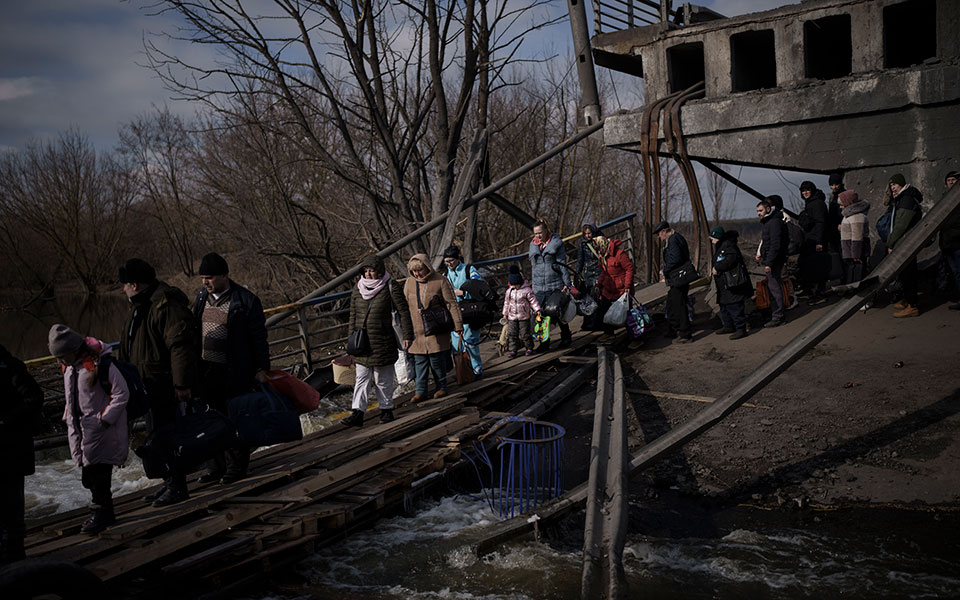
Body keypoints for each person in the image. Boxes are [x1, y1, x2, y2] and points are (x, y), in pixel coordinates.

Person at [118, 258, 199, 507]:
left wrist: (181, 384)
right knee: (156, 435)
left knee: (167, 435)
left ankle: (177, 486)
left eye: (124, 284)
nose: (123, 289)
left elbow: (180, 347)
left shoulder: (165, 304)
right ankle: (168, 481)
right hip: (147, 384)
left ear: (134, 284)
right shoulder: (142, 305)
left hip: (164, 383)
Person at [191, 252, 270, 484]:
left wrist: (262, 368)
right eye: (203, 278)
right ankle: (214, 466)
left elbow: (259, 339)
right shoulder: (200, 298)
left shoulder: (245, 300)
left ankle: (236, 467)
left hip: (235, 371)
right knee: (210, 420)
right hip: (207, 371)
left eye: (210, 277)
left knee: (236, 419)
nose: (205, 282)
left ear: (225, 275)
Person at [48, 325, 129, 535]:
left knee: (99, 477)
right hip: (81, 430)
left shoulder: (100, 365)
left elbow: (122, 394)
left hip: (100, 430)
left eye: (61, 356)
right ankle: (106, 512)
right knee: (88, 477)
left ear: (74, 350)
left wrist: (104, 420)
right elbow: (72, 397)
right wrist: (68, 415)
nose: (59, 361)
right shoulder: (70, 367)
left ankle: (100, 513)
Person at [341, 254, 415, 427]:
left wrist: (407, 335)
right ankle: (357, 413)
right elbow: (353, 315)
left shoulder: (390, 287)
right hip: (362, 342)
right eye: (365, 271)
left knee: (382, 377)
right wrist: (350, 341)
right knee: (361, 378)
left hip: (383, 340)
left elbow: (404, 312)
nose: (368, 274)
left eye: (372, 271)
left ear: (379, 271)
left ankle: (386, 410)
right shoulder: (357, 289)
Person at [0, 344, 43, 563]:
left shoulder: (10, 366)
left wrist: (5, 420)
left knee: (12, 507)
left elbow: (34, 398)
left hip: (12, 449)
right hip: (8, 448)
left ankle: (15, 557)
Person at [403, 254, 462, 401]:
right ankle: (420, 390)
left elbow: (451, 304)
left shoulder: (440, 280)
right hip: (417, 330)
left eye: (420, 270)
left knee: (437, 360)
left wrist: (458, 324)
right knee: (419, 361)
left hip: (436, 327)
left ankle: (441, 387)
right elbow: (404, 307)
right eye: (414, 271)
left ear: (427, 267)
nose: (417, 274)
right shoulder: (409, 283)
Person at [529, 219, 572, 351]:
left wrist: (566, 283)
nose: (538, 236)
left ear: (546, 230)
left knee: (556, 312)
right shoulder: (533, 245)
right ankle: (544, 342)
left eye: (540, 233)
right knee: (539, 315)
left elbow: (562, 264)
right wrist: (532, 285)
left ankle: (566, 336)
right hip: (538, 286)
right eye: (535, 234)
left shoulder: (556, 244)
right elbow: (533, 267)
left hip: (554, 284)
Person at [886, 173, 924, 318]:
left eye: (894, 185)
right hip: (906, 241)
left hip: (906, 242)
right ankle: (908, 300)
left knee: (908, 273)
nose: (892, 188)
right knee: (905, 272)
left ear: (901, 184)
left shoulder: (907, 199)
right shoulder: (903, 198)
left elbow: (901, 224)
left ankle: (912, 306)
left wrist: (891, 242)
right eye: (891, 185)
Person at [442, 245, 483, 377]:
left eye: (451, 261)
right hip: (454, 312)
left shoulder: (468, 270)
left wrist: (463, 293)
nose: (449, 264)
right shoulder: (445, 275)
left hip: (470, 311)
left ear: (457, 258)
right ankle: (462, 371)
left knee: (471, 342)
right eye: (446, 262)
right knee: (457, 346)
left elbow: (479, 287)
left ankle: (477, 370)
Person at [654, 220, 692, 342]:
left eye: (659, 235)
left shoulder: (673, 240)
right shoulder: (675, 238)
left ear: (664, 231)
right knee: (672, 303)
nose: (659, 238)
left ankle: (685, 333)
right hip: (678, 278)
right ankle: (673, 328)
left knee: (678, 305)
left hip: (678, 278)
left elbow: (675, 258)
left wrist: (665, 270)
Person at [710, 227, 750, 340]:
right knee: (724, 305)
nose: (712, 241)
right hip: (724, 283)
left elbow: (731, 260)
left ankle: (740, 329)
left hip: (732, 282)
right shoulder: (722, 246)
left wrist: (717, 267)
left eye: (713, 238)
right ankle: (728, 326)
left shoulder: (728, 245)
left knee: (734, 306)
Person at [758, 198, 790, 327]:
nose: (758, 213)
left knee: (775, 287)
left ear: (768, 209)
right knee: (774, 286)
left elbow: (775, 245)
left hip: (774, 261)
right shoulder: (770, 222)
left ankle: (778, 316)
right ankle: (776, 314)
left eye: (760, 210)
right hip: (773, 259)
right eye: (757, 211)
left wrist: (769, 263)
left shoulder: (774, 223)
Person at [594, 235, 635, 333]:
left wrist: (627, 285)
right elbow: (604, 272)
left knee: (626, 314)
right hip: (609, 290)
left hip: (621, 289)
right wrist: (599, 285)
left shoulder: (619, 254)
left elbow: (629, 269)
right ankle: (608, 333)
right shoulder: (603, 256)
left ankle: (635, 336)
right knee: (603, 310)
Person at [798, 180, 829, 304]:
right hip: (812, 239)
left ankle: (819, 294)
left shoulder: (816, 204)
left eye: (807, 190)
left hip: (816, 240)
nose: (805, 192)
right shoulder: (811, 203)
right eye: (803, 190)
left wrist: (819, 242)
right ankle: (810, 290)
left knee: (817, 268)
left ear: (812, 190)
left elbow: (821, 223)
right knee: (809, 265)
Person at [501, 265, 541, 357]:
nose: (514, 287)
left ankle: (529, 347)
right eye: (512, 285)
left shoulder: (527, 290)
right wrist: (505, 314)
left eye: (516, 285)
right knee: (512, 334)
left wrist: (537, 309)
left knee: (525, 334)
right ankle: (513, 350)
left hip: (524, 316)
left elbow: (533, 300)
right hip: (512, 316)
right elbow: (506, 303)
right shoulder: (509, 291)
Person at [837, 190, 871, 284]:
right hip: (851, 252)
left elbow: (857, 237)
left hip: (856, 254)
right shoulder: (849, 215)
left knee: (857, 278)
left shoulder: (856, 216)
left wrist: (856, 255)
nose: (840, 206)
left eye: (842, 204)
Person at [938, 170, 960, 310]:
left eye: (954, 180)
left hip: (957, 242)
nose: (951, 182)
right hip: (947, 243)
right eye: (949, 180)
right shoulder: (944, 200)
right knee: (954, 272)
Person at [576, 224, 602, 293]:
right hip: (588, 271)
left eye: (589, 233)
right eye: (585, 234)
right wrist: (577, 272)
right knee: (590, 291)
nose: (587, 236)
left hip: (599, 269)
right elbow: (580, 259)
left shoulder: (599, 240)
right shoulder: (582, 243)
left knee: (600, 290)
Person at [827, 173, 845, 253]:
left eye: (836, 184)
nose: (834, 187)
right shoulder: (833, 196)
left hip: (841, 226)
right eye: (832, 185)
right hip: (834, 227)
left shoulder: (844, 195)